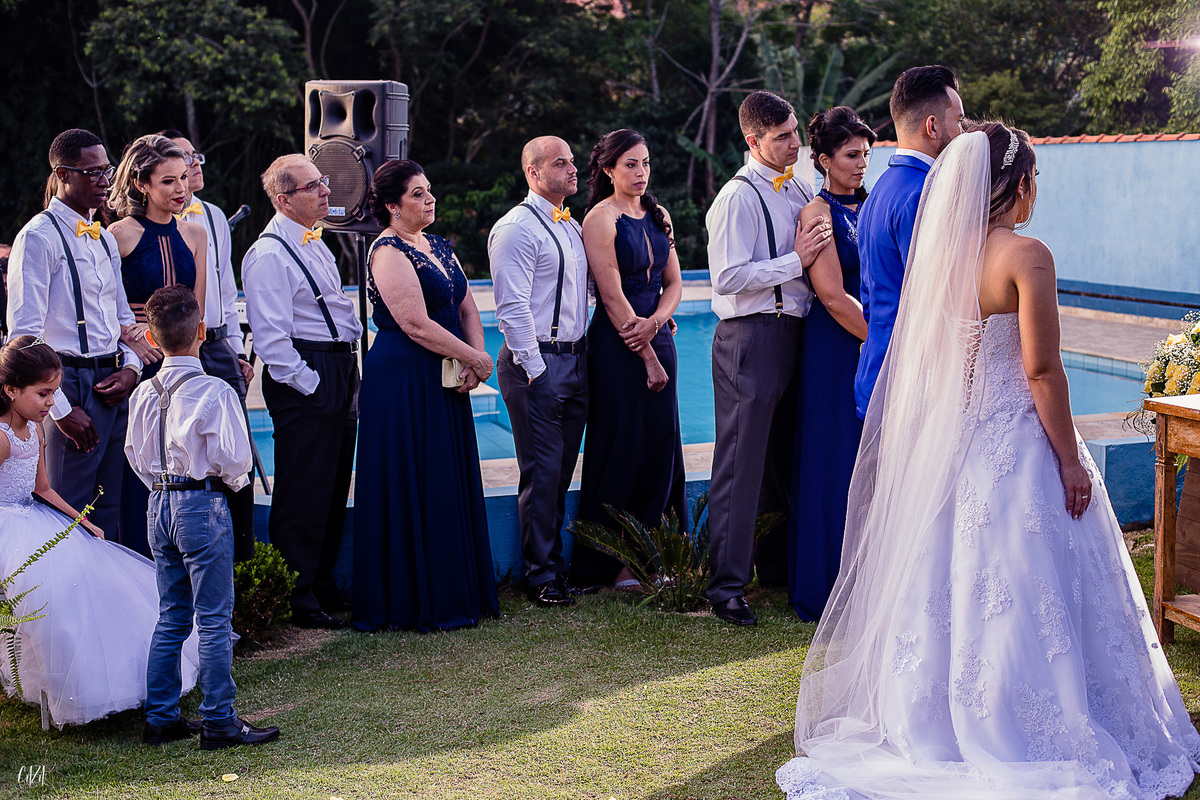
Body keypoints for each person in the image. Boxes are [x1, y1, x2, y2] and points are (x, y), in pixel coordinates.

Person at [776, 125, 1200, 798]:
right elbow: (1042, 371)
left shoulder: (944, 256)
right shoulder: (1027, 255)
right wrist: (1068, 459)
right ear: (1019, 184)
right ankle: (1045, 724)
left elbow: (952, 362)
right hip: (1024, 447)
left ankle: (946, 720)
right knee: (1035, 585)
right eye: (1036, 179)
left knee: (957, 586)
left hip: (965, 445)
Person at [0, 335, 198, 728]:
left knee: (92, 578)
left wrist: (81, 521)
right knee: (47, 594)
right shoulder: (2, 438)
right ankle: (51, 685)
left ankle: (102, 681)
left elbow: (43, 489)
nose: (49, 404)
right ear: (10, 390)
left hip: (34, 518)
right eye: (43, 394)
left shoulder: (34, 432)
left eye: (54, 393)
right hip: (9, 527)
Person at [125, 286, 277, 749]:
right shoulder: (215, 390)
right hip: (200, 504)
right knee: (213, 618)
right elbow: (235, 462)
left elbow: (134, 455)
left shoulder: (142, 392)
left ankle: (162, 717)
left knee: (171, 615)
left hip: (159, 504)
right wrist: (228, 490)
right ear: (202, 333)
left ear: (151, 336)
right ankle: (219, 720)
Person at [352, 159, 499, 632]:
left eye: (428, 189)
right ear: (392, 206)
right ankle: (414, 598)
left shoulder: (439, 245)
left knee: (443, 476)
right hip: (403, 380)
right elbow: (414, 323)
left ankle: (457, 588)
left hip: (445, 371)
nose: (429, 198)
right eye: (417, 193)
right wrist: (472, 361)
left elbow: (466, 305)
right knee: (413, 479)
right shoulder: (387, 251)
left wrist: (475, 353)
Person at [703, 91, 831, 626]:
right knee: (740, 464)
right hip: (750, 337)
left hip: (794, 334)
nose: (795, 143)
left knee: (783, 461)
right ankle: (726, 587)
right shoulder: (735, 198)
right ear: (753, 141)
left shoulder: (797, 185)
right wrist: (793, 262)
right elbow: (727, 278)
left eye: (795, 131)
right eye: (783, 137)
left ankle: (775, 569)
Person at [242, 154, 362, 630]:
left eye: (323, 183)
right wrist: (313, 385)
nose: (326, 192)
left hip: (335, 366)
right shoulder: (268, 253)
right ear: (283, 199)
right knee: (304, 487)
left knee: (333, 485)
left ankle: (322, 581)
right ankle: (297, 593)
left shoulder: (315, 242)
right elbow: (272, 339)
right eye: (314, 187)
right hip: (306, 375)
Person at [6, 128, 143, 537]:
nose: (105, 180)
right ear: (63, 175)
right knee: (69, 516)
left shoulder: (102, 237)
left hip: (113, 384)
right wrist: (61, 410)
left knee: (110, 512)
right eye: (93, 172)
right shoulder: (37, 237)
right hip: (67, 383)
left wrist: (132, 368)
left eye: (108, 170)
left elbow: (125, 323)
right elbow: (24, 338)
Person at [573, 129, 686, 589]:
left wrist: (658, 321)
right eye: (630, 165)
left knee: (662, 446)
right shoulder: (599, 219)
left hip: (655, 333)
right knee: (624, 446)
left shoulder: (659, 215)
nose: (640, 173)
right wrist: (649, 359)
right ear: (607, 170)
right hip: (619, 346)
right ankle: (615, 564)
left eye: (644, 163)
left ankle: (657, 558)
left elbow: (674, 283)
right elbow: (613, 296)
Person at [489, 136, 591, 607]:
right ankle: (541, 575)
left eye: (572, 162)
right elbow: (510, 310)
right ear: (533, 173)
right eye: (560, 163)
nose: (573, 169)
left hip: (575, 358)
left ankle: (557, 566)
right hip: (537, 364)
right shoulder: (515, 228)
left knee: (562, 472)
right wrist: (537, 370)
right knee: (543, 472)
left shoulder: (570, 226)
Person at [787, 107, 874, 621]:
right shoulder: (816, 216)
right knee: (835, 460)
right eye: (851, 154)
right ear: (823, 160)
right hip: (837, 345)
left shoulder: (873, 204)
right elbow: (833, 296)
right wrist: (892, 340)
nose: (862, 162)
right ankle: (827, 586)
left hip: (873, 340)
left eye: (866, 153)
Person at [106, 134, 208, 559]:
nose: (180, 189)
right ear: (141, 184)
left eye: (183, 178)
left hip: (183, 366)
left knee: (185, 466)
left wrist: (194, 369)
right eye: (168, 181)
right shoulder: (118, 233)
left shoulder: (196, 234)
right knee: (138, 472)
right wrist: (132, 338)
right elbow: (103, 303)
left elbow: (197, 311)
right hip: (139, 366)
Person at [162, 129, 257, 563]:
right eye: (182, 160)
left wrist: (236, 350)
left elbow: (225, 286)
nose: (194, 164)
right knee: (186, 453)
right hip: (174, 348)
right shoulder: (148, 226)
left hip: (217, 344)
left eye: (194, 156)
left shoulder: (215, 215)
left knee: (235, 453)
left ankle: (241, 559)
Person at [854, 65, 964, 419]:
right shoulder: (925, 194)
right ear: (932, 126)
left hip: (877, 366)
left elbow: (870, 294)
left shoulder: (879, 191)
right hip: (913, 381)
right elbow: (939, 299)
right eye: (959, 121)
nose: (963, 133)